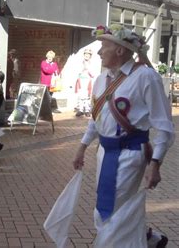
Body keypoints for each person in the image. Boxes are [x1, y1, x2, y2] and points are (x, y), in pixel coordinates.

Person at [73, 24, 174, 247]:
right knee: (110, 206)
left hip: (130, 154)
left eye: (104, 46)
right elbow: (97, 119)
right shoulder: (101, 80)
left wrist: (155, 163)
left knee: (108, 211)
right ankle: (149, 239)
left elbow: (164, 126)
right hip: (104, 153)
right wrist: (82, 147)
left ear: (120, 50)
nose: (99, 52)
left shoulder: (146, 77)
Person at [74, 48, 95, 117]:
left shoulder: (92, 64)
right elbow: (77, 71)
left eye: (88, 55)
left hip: (87, 81)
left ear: (90, 56)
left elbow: (93, 74)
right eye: (86, 54)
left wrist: (88, 70)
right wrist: (82, 69)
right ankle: (80, 109)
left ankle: (87, 109)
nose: (87, 56)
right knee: (80, 95)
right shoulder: (80, 63)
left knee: (87, 96)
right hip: (81, 80)